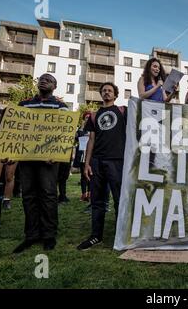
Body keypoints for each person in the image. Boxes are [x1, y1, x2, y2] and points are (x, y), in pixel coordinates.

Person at [12, 74, 68, 253]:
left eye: (49, 80)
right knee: (28, 195)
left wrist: (57, 154)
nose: (44, 81)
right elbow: (15, 131)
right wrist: (10, 153)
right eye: (42, 79)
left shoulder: (61, 106)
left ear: (54, 86)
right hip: (27, 159)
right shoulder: (23, 104)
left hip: (49, 159)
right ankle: (31, 235)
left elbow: (65, 134)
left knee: (49, 195)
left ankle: (49, 235)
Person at [77, 82, 127, 250]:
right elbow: (91, 140)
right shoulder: (93, 115)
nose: (106, 93)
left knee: (120, 199)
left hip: (117, 161)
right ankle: (95, 235)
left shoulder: (122, 111)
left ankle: (122, 236)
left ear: (115, 94)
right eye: (104, 90)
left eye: (110, 90)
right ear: (101, 94)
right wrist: (87, 164)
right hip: (97, 162)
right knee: (97, 201)